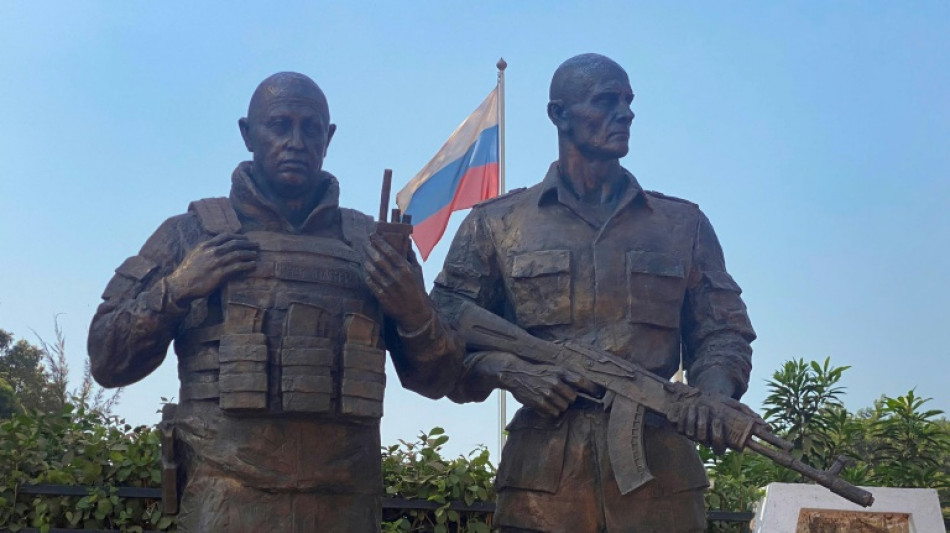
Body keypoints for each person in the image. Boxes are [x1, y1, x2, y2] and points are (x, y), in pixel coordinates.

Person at [88, 72, 462, 533]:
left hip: (343, 507)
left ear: (329, 138)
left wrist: (413, 311)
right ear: (248, 134)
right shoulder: (189, 234)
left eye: (310, 128)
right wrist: (177, 289)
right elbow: (107, 360)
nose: (296, 141)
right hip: (224, 503)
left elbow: (440, 378)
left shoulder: (376, 246)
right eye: (279, 125)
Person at [430, 54, 756, 532]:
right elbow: (441, 336)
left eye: (627, 102)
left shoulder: (682, 225)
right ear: (559, 114)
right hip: (542, 488)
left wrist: (713, 394)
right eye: (606, 101)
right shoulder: (497, 225)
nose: (625, 113)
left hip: (660, 484)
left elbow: (723, 332)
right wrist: (509, 369)